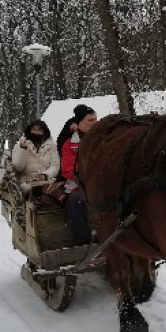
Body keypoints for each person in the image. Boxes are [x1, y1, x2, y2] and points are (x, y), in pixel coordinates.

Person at [60, 104, 97, 244]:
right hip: (80, 184)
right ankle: (85, 242)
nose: (95, 123)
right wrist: (88, 170)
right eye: (90, 120)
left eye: (95, 119)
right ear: (79, 123)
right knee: (76, 200)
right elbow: (67, 169)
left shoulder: (104, 138)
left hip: (103, 182)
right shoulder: (69, 144)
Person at [11, 120, 59, 193]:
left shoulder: (52, 146)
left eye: (39, 130)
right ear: (29, 131)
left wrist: (45, 175)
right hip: (27, 182)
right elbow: (18, 167)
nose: (36, 132)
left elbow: (55, 166)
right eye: (34, 129)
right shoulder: (20, 145)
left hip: (46, 181)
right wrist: (23, 149)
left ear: (45, 132)